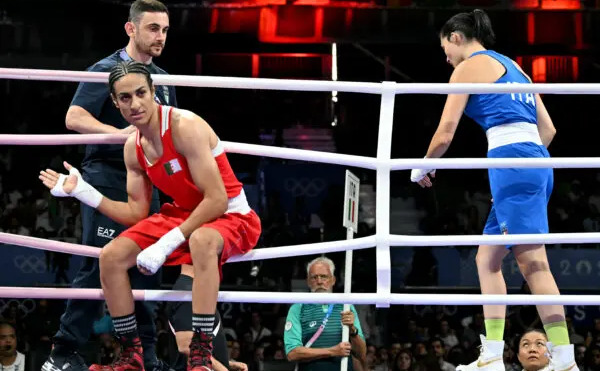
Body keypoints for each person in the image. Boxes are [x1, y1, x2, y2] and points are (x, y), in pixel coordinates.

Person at [39, 60, 261, 371]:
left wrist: (167, 242)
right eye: (125, 98)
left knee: (200, 239)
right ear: (115, 103)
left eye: (141, 93)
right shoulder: (133, 147)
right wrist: (84, 192)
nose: (135, 103)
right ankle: (133, 354)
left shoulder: (185, 126)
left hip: (229, 214)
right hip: (183, 215)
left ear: (154, 91)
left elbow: (217, 199)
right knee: (111, 256)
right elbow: (135, 214)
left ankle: (200, 354)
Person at [409, 8, 577, 371]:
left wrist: (422, 165)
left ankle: (564, 359)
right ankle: (491, 356)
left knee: (534, 264)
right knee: (487, 260)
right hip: (531, 162)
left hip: (513, 163)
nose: (446, 57)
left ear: (455, 37)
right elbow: (547, 131)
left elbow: (446, 130)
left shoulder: (467, 67)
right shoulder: (517, 68)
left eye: (445, 49)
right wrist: (520, 170)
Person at [42, 1, 175, 371]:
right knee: (99, 262)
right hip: (109, 174)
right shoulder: (106, 70)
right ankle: (63, 353)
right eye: (152, 28)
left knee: (147, 267)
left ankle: (144, 355)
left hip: (150, 181)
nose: (159, 36)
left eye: (164, 30)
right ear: (131, 29)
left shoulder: (162, 81)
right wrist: (119, 135)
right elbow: (74, 116)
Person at [284, 257, 367, 370]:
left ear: (333, 280)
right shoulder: (298, 308)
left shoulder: (346, 306)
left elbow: (361, 354)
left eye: (324, 276)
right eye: (314, 277)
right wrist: (333, 351)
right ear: (308, 281)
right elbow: (292, 353)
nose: (319, 281)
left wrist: (352, 330)